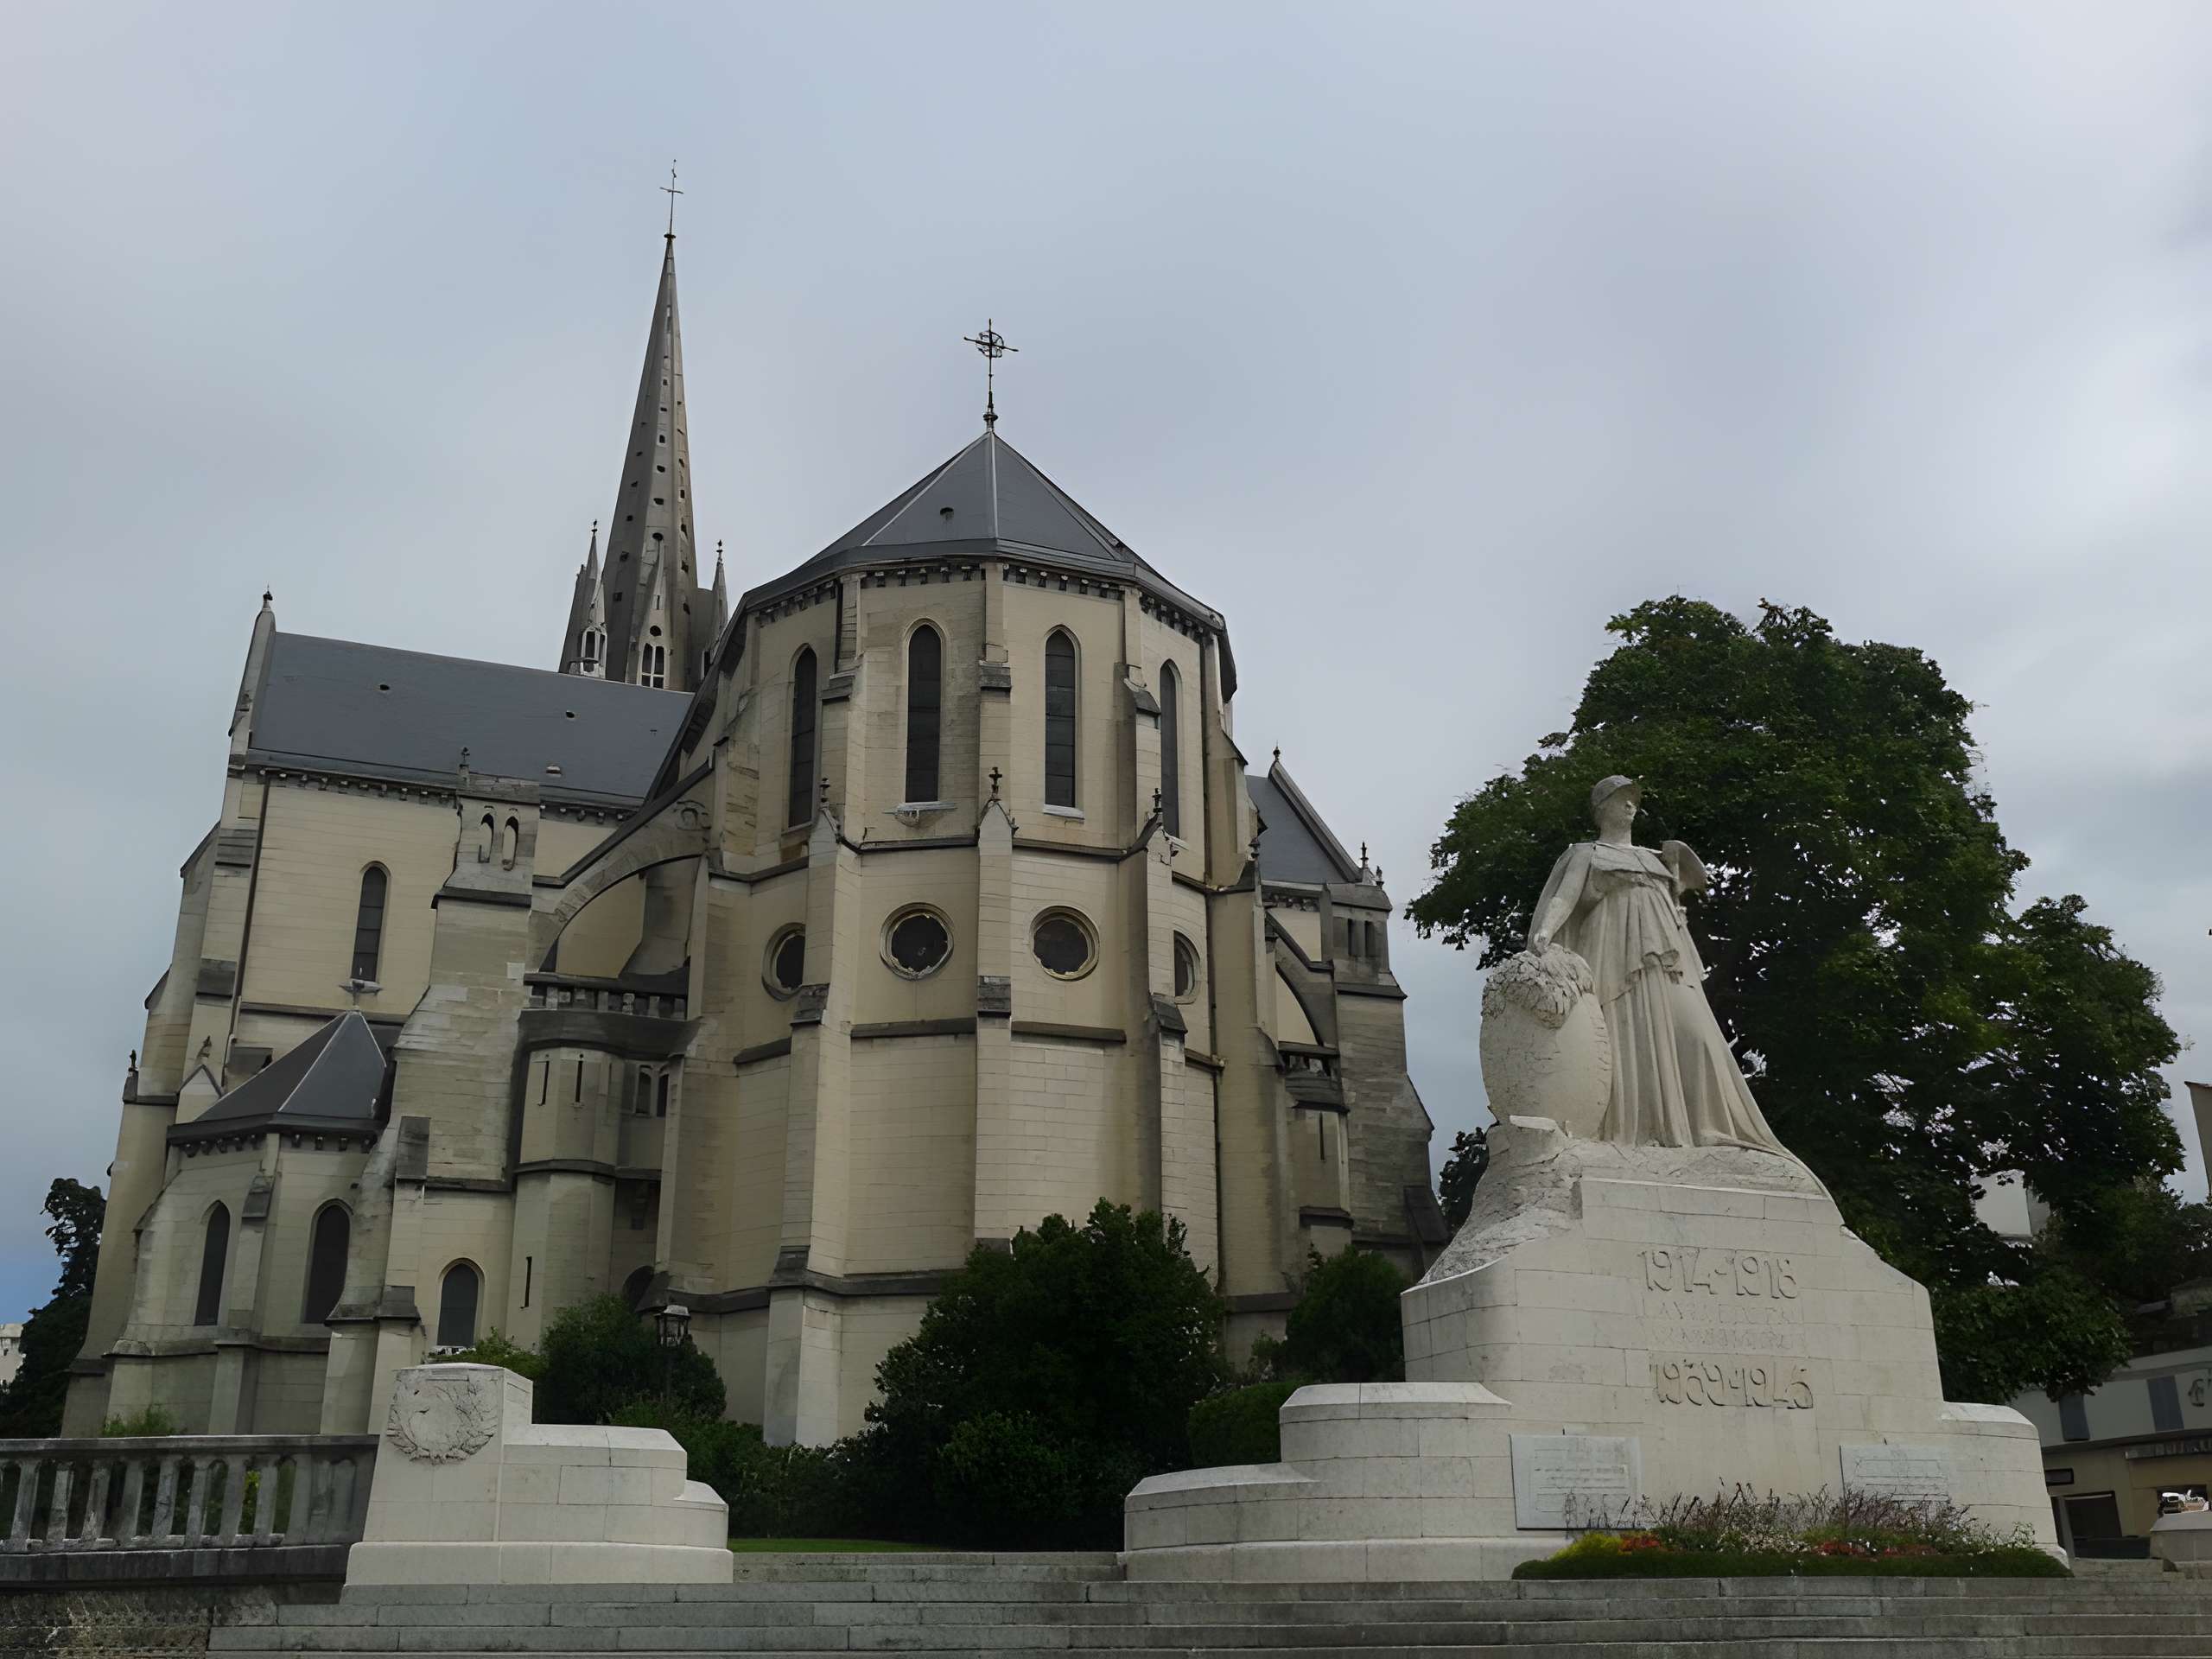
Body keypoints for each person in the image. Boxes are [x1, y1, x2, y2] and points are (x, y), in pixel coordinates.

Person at [1528, 775, 1790, 1156]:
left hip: (1666, 957)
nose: (1631, 806)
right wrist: (1546, 932)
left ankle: (1703, 1128)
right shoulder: (1586, 853)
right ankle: (1624, 1132)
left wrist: (1678, 863)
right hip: (1612, 947)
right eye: (1621, 799)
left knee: (1696, 1035)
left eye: (1634, 799)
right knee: (1618, 1036)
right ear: (1602, 807)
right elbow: (1565, 896)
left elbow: (1697, 882)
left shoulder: (1654, 857)